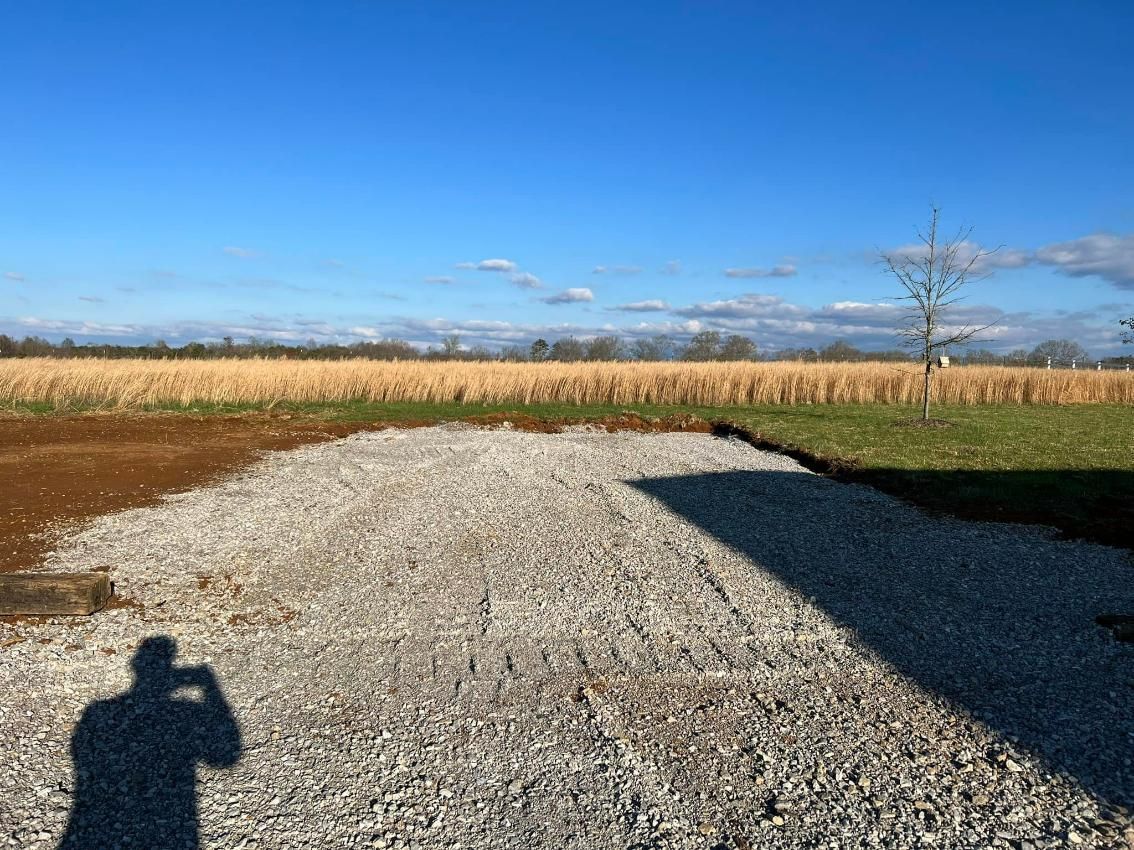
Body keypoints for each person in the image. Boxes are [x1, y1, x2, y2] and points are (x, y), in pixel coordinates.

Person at [59, 636, 241, 849]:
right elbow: (225, 757)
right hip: (173, 826)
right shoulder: (186, 711)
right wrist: (210, 686)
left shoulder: (97, 712)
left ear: (135, 666)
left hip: (93, 826)